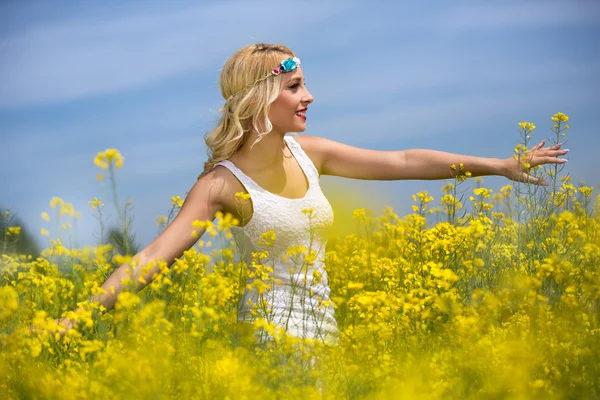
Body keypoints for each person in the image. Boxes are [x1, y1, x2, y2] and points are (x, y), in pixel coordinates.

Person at [51, 43, 569, 343]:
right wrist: (73, 319)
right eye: (295, 87)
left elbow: (404, 162)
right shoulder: (220, 185)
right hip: (266, 339)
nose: (309, 96)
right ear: (261, 99)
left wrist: (499, 165)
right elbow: (151, 260)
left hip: (325, 332)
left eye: (304, 84)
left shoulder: (310, 153)